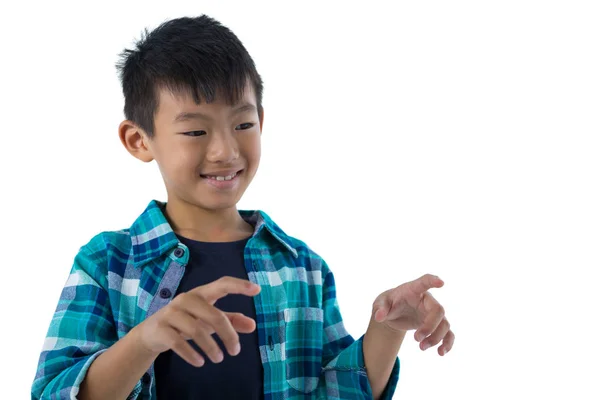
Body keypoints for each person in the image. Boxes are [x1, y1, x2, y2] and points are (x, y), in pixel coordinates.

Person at [31, 14, 454, 400]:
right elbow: (54, 392)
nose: (225, 150)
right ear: (139, 140)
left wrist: (385, 329)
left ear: (262, 122)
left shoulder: (303, 267)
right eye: (196, 130)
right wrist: (146, 339)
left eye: (243, 125)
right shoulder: (106, 262)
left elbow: (337, 393)